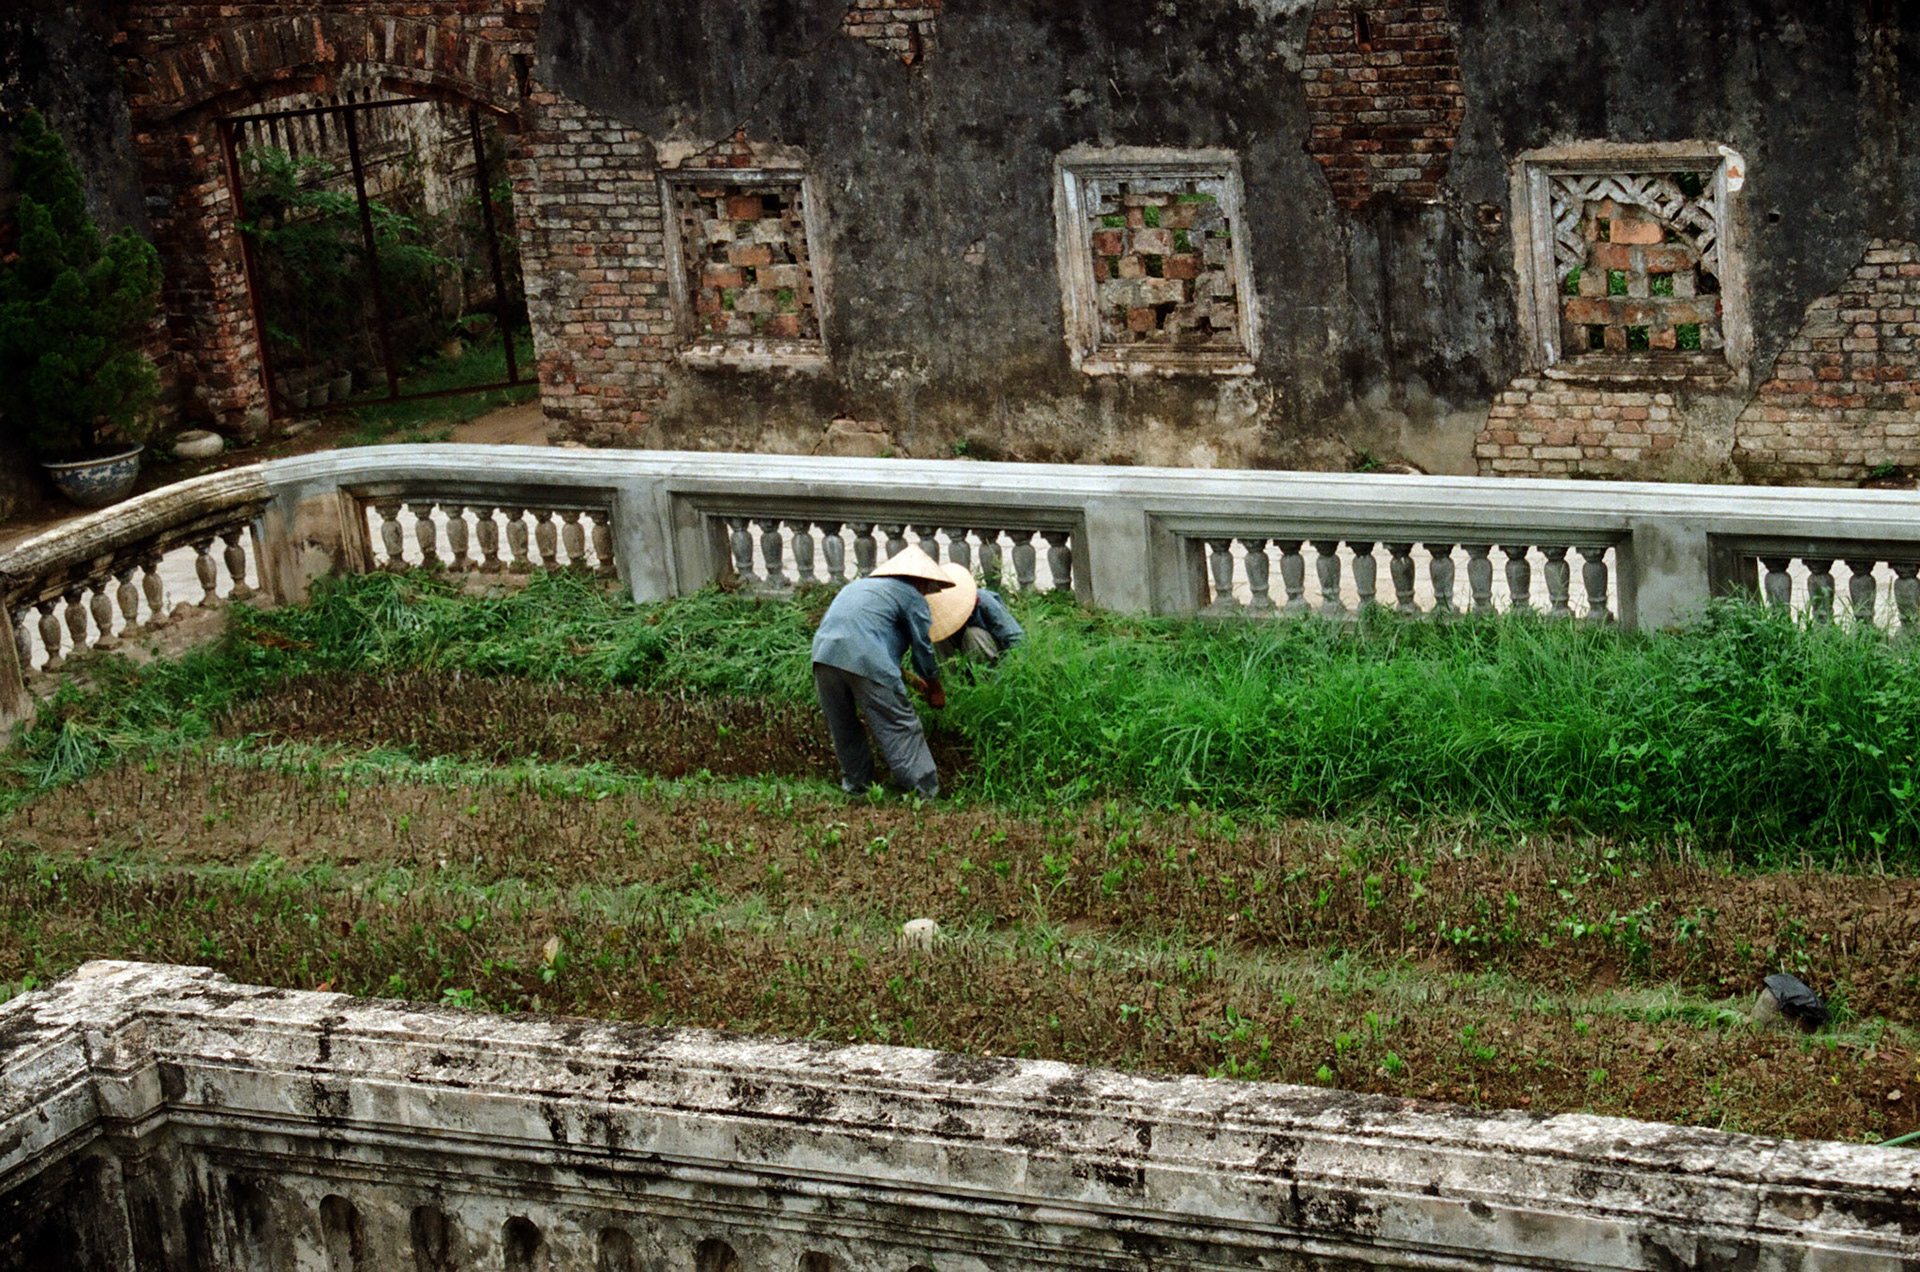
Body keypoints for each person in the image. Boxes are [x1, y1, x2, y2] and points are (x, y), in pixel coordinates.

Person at [811, 544, 955, 798]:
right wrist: (935, 687)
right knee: (899, 724)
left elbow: (859, 639)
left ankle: (857, 787)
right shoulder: (912, 596)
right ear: (920, 582)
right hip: (863, 658)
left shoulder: (858, 587)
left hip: (824, 656)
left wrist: (911, 681)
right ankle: (923, 792)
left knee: (843, 725)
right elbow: (923, 647)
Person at [927, 562, 1024, 668]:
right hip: (960, 655)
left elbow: (1017, 639)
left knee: (973, 634)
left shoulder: (984, 601)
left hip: (991, 655)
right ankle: (953, 680)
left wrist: (1002, 676)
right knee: (939, 635)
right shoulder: (938, 610)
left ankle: (985, 678)